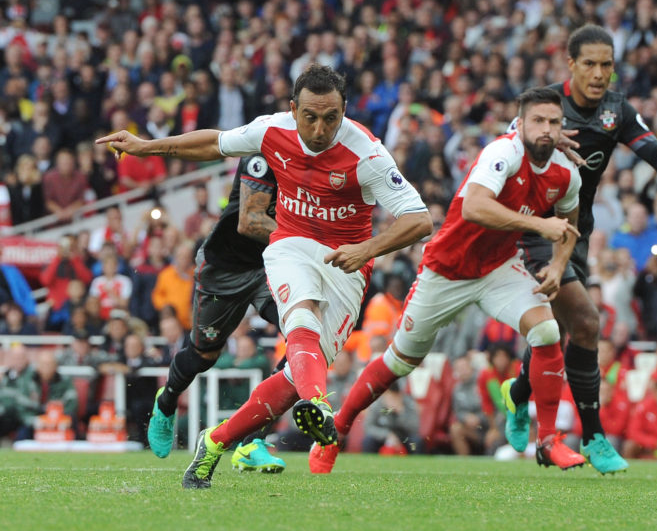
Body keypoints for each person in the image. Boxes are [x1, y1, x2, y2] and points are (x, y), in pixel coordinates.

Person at [97, 64, 432, 489]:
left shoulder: (367, 153)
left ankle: (215, 442)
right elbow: (214, 144)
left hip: (347, 261)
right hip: (283, 245)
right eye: (309, 116)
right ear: (293, 109)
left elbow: (420, 221)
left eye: (331, 117)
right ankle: (315, 405)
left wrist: (367, 249)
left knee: (295, 373)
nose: (319, 128)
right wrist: (147, 148)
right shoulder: (271, 132)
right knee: (244, 339)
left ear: (345, 110)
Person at [308, 86, 586, 474]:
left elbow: (568, 225)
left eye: (554, 123)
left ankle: (549, 440)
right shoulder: (503, 153)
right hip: (446, 269)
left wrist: (557, 267)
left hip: (498, 268)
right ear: (520, 124)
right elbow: (474, 206)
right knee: (400, 361)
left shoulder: (566, 173)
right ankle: (336, 429)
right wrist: (539, 224)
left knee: (547, 333)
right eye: (538, 120)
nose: (546, 129)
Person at [502, 24, 657, 475]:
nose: (599, 73)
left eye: (607, 64)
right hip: (535, 227)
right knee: (586, 322)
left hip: (575, 233)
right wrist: (541, 144)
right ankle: (594, 437)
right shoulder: (545, 106)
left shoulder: (617, 110)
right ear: (571, 64)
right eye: (589, 63)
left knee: (562, 330)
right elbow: (505, 151)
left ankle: (520, 393)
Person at [145, 151, 286, 474]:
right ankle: (166, 403)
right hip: (224, 270)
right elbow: (250, 221)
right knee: (202, 356)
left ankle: (252, 441)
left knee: (303, 336)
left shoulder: (316, 164)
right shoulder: (262, 156)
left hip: (270, 268)